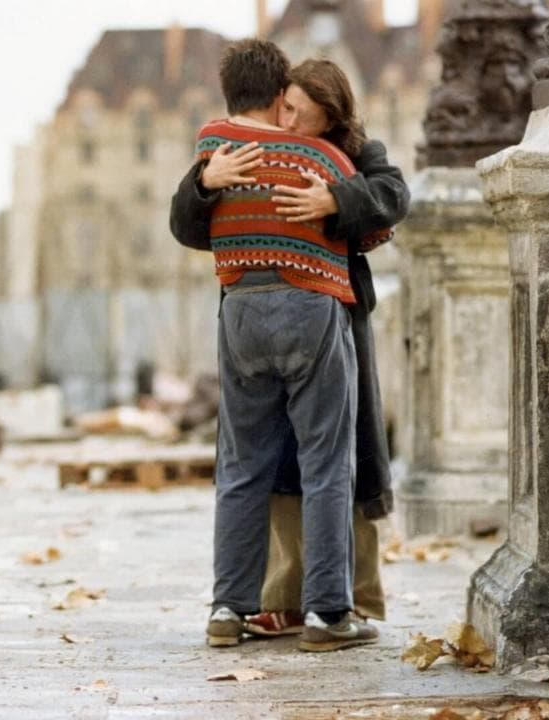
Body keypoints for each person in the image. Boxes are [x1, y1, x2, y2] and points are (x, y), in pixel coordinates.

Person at [170, 56, 409, 651]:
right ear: (279, 95)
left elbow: (391, 198)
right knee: (324, 464)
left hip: (256, 309)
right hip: (314, 311)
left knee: (246, 466)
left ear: (332, 117)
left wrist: (337, 201)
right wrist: (204, 183)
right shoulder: (247, 156)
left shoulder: (345, 155)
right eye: (288, 108)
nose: (290, 122)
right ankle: (323, 612)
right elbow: (187, 221)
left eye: (304, 115)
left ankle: (230, 608)